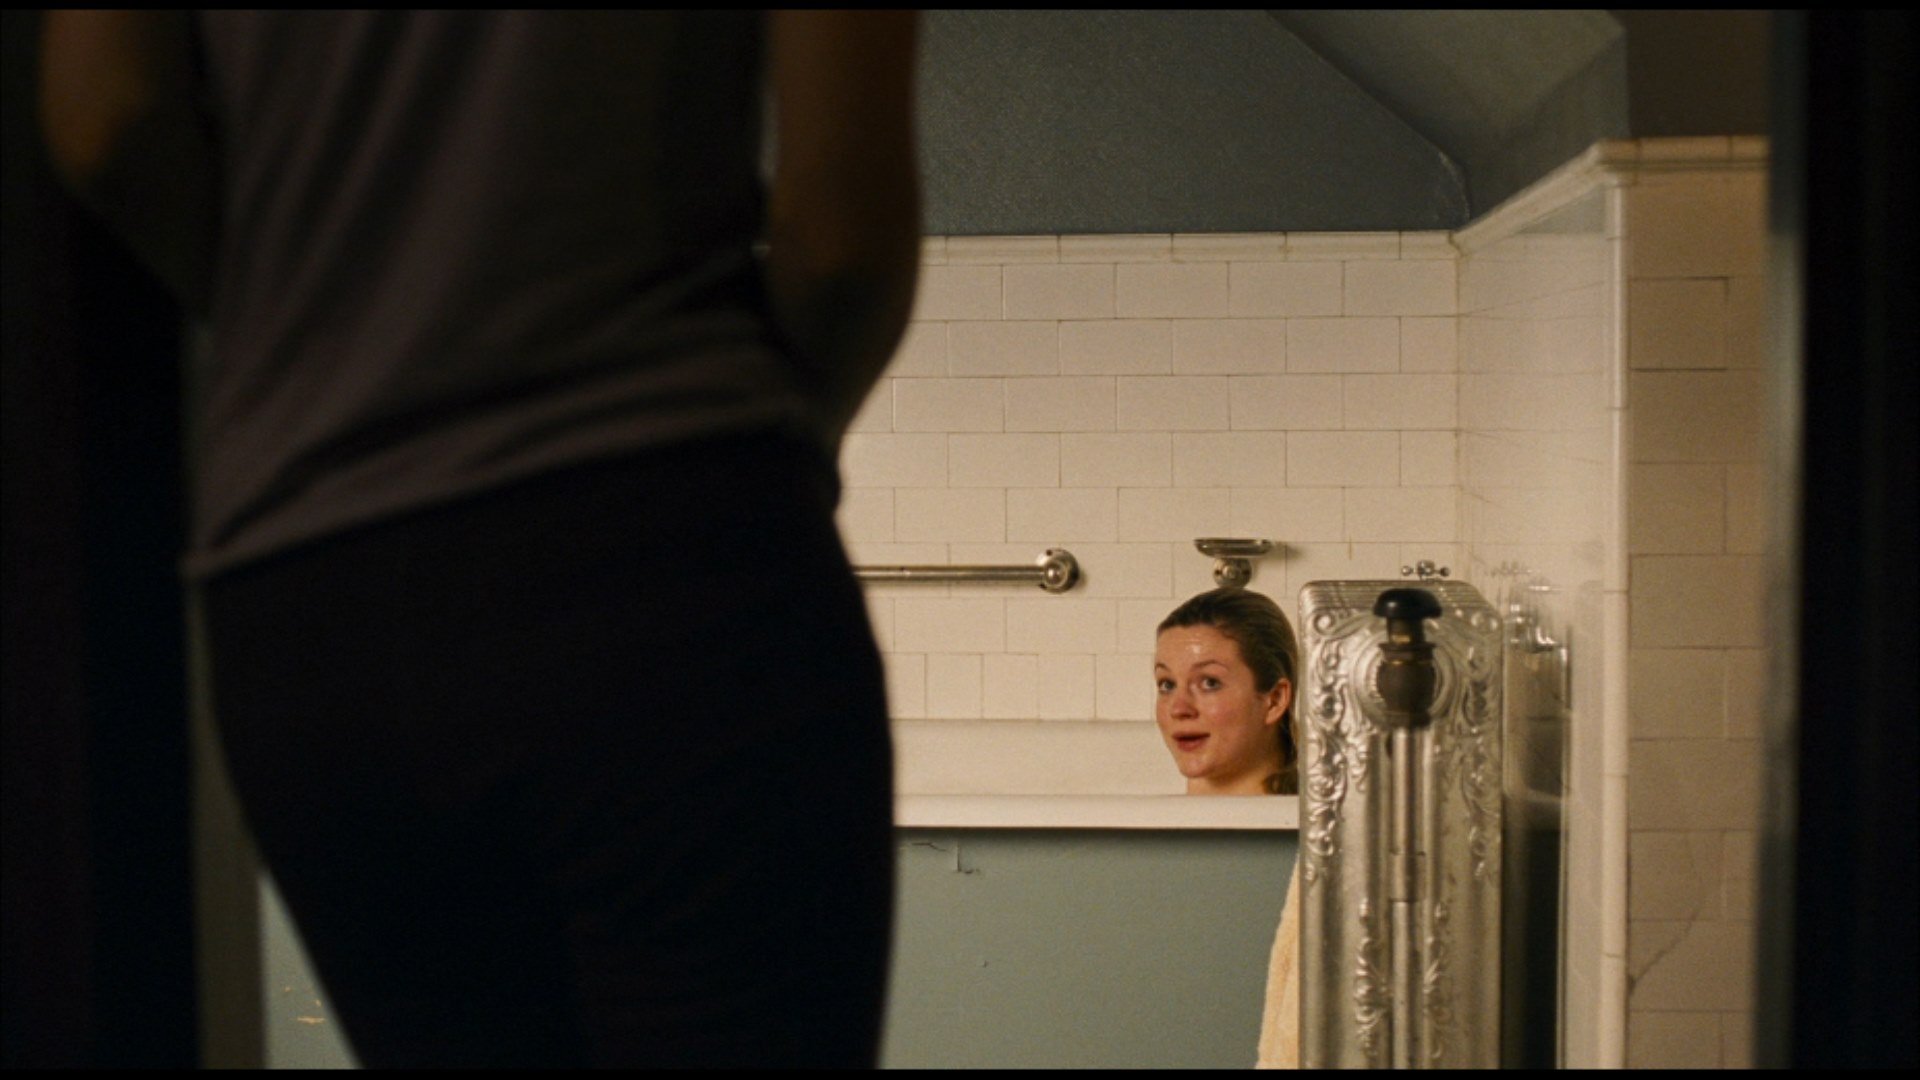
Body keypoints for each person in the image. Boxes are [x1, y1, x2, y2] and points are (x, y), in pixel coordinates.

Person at [40, 10, 919, 1068]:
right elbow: (840, 241)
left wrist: (304, 335)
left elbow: (104, 116)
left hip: (308, 601)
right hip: (665, 537)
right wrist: (772, 460)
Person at [1151, 587, 1302, 1067]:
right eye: (1166, 684)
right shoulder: (1155, 831)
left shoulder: (1303, 840)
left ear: (1274, 699)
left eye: (1209, 683)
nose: (1179, 708)